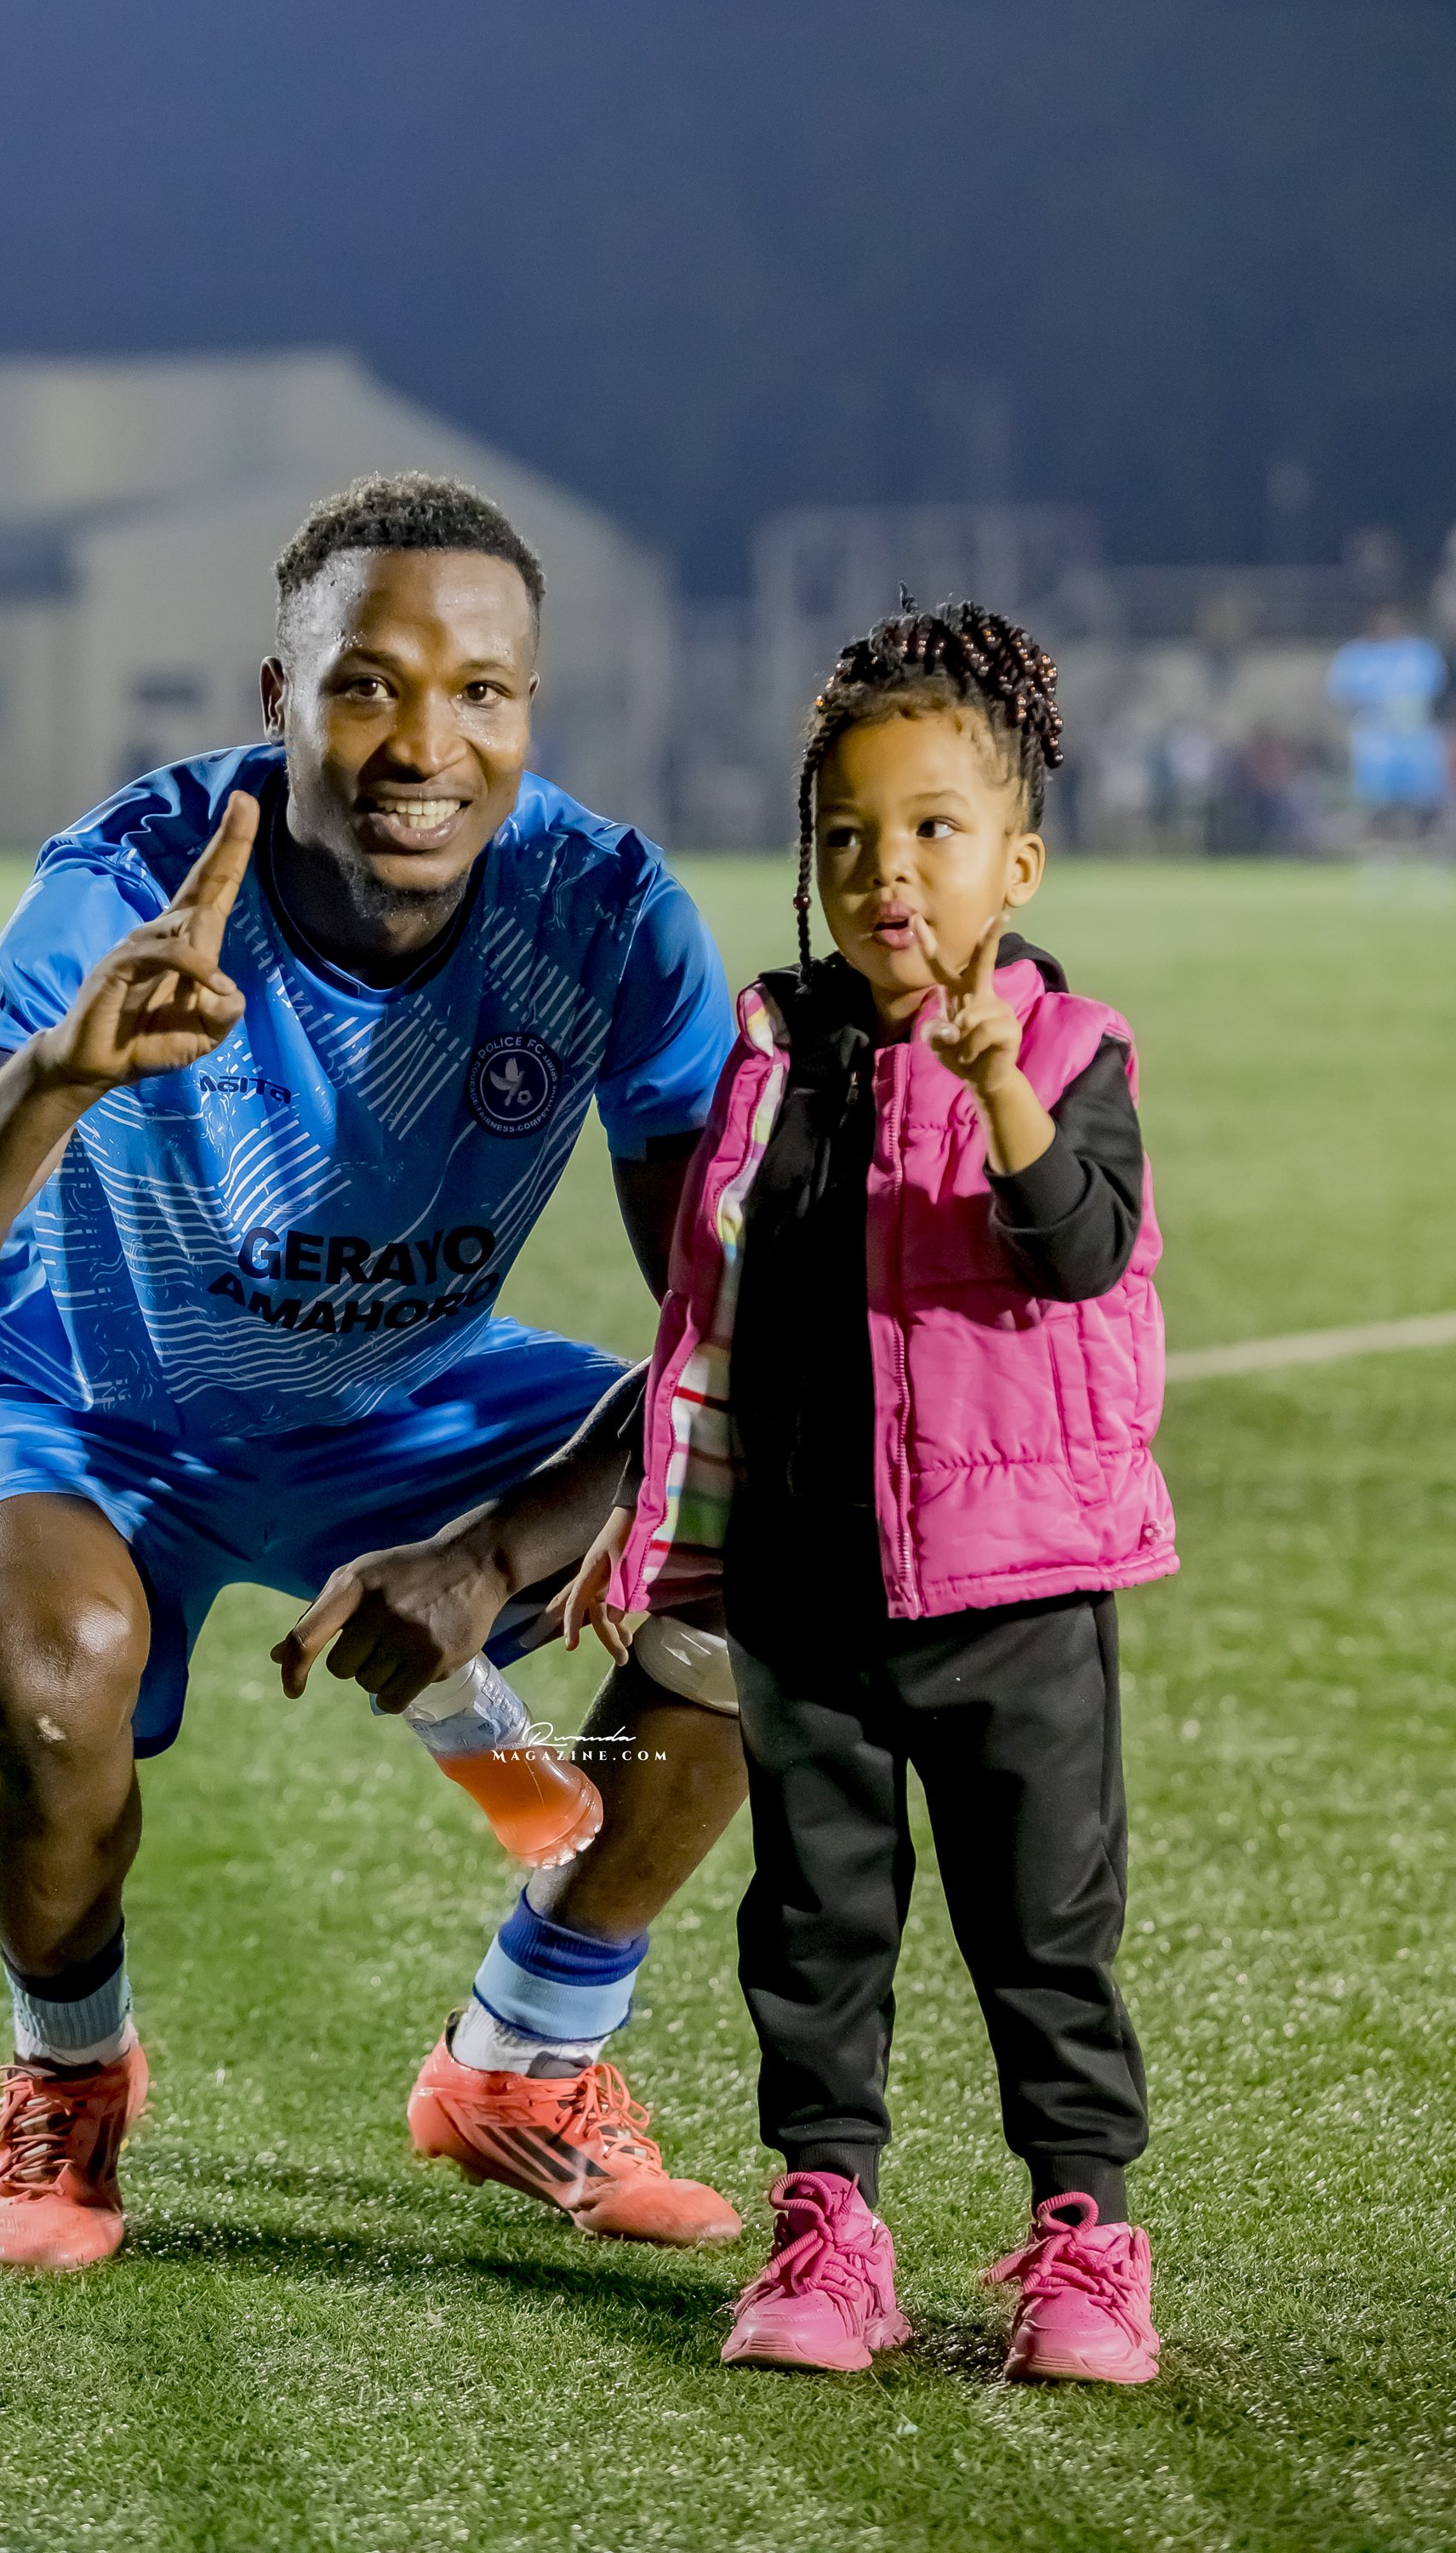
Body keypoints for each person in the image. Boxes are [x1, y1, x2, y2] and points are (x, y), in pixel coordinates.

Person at [0, 472, 750, 2271]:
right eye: (367, 686)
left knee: (773, 1533)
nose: (425, 745)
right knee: (45, 1676)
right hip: (71, 1391)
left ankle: (525, 2058)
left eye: (480, 692)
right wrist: (55, 1077)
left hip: (397, 1396)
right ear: (281, 697)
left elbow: (727, 1335)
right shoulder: (129, 881)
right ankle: (70, 2077)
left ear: (529, 708)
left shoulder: (603, 911)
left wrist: (491, 1553)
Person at [563, 603, 1176, 2382]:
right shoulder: (776, 1056)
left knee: (1041, 1936)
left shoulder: (1066, 1053)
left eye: (929, 829)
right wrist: (656, 1515)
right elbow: (710, 1311)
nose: (881, 869)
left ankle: (1083, 2241)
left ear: (1014, 863)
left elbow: (1078, 1252)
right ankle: (828, 2231)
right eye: (843, 835)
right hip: (805, 1593)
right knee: (813, 1931)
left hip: (1014, 1596)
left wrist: (994, 1094)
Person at [1325, 605, 1447, 836]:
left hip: (1413, 732)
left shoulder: (1420, 652)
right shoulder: (1356, 655)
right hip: (1374, 733)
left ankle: (1421, 838)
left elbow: (1436, 690)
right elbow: (1340, 693)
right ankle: (1379, 839)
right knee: (1376, 796)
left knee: (1422, 794)